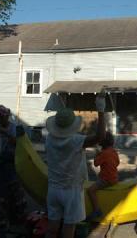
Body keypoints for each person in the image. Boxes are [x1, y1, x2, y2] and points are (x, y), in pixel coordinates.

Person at [45, 91, 106, 238]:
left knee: (52, 229)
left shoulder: (49, 139)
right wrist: (101, 110)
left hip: (53, 189)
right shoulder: (76, 141)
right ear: (72, 125)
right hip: (71, 191)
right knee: (68, 229)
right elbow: (100, 137)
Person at [0, 105, 26, 226]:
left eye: (1, 117)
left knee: (16, 191)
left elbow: (21, 145)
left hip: (14, 164)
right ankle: (2, 218)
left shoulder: (15, 128)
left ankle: (20, 216)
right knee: (2, 193)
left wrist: (6, 133)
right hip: (0, 164)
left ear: (7, 116)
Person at [86, 131, 119, 221]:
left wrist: (97, 153)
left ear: (102, 143)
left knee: (90, 190)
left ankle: (96, 210)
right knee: (99, 179)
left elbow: (96, 164)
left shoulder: (104, 153)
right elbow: (117, 163)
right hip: (115, 178)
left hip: (107, 179)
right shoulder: (114, 152)